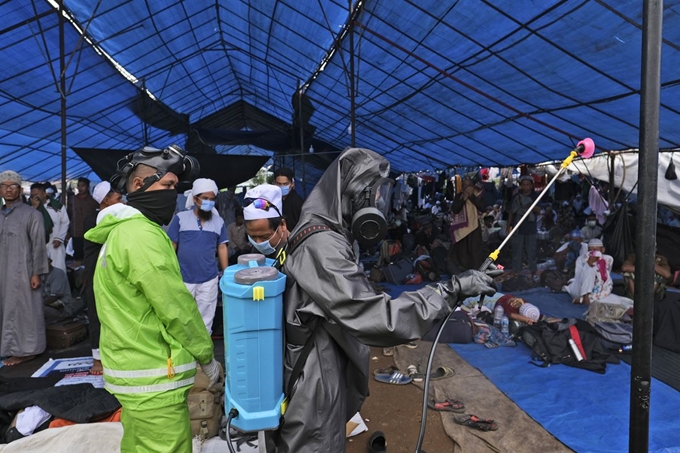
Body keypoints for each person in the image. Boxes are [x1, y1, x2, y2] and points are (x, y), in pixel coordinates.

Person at [244, 149, 498, 453]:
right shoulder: (321, 245)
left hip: (321, 369)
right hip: (315, 384)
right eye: (375, 195)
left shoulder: (327, 232)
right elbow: (378, 317)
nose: (379, 204)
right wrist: (449, 291)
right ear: (355, 194)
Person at [84, 145, 221, 453]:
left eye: (175, 187)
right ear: (138, 185)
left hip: (133, 371)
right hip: (155, 374)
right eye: (168, 185)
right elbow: (176, 308)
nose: (173, 194)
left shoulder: (120, 232)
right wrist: (206, 357)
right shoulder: (141, 236)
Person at [168, 178, 229, 333]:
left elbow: (222, 247)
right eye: (205, 199)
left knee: (206, 320)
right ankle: (185, 354)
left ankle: (204, 355)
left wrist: (226, 272)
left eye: (212, 199)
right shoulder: (181, 218)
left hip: (209, 277)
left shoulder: (218, 221)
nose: (209, 202)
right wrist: (169, 270)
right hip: (183, 277)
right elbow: (172, 245)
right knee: (183, 317)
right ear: (195, 199)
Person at [0, 170, 48, 366]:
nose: (8, 189)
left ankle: (28, 350)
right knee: (5, 309)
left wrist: (36, 272)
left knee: (25, 310)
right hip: (3, 272)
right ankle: (8, 348)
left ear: (20, 190)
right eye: (4, 186)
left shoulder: (32, 214)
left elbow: (38, 245)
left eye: (13, 186)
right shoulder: (2, 215)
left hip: (24, 272)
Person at [83, 181, 123, 375]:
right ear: (106, 200)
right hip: (96, 272)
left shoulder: (120, 218)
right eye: (118, 198)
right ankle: (97, 359)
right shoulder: (93, 221)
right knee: (97, 314)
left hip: (115, 272)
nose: (122, 202)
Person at [564, 239, 632, 308]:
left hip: (596, 290)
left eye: (596, 250)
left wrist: (598, 263)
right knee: (590, 270)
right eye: (591, 250)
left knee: (617, 301)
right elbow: (580, 277)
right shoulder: (581, 259)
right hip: (579, 289)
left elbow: (605, 277)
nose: (594, 252)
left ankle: (582, 300)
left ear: (602, 250)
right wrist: (589, 264)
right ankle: (585, 297)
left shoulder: (608, 259)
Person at [30, 183, 70, 273]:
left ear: (44, 194)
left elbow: (65, 222)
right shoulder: (29, 209)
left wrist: (59, 238)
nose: (34, 197)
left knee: (58, 271)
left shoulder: (57, 207)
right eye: (32, 195)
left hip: (54, 245)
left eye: (36, 194)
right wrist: (35, 208)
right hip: (38, 246)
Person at [448, 177, 486, 271]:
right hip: (462, 229)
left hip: (474, 226)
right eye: (465, 185)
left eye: (469, 185)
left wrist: (471, 197)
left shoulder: (478, 196)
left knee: (475, 250)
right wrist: (463, 199)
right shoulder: (459, 196)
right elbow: (455, 209)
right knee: (462, 251)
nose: (467, 187)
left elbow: (483, 208)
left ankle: (477, 271)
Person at [508, 175, 540, 279]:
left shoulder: (535, 196)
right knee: (517, 251)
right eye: (524, 185)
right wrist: (508, 226)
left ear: (531, 186)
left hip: (530, 228)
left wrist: (529, 204)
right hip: (518, 227)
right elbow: (511, 212)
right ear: (521, 186)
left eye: (528, 185)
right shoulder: (516, 197)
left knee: (531, 251)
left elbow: (539, 210)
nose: (526, 187)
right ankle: (516, 271)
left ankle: (533, 271)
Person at [42, 252, 81, 323]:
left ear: (50, 261)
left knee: (38, 309)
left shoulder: (57, 273)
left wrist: (39, 304)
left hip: (63, 310)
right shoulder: (42, 275)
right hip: (51, 307)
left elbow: (53, 297)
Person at [67, 177, 99, 263]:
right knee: (77, 258)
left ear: (88, 187)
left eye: (83, 186)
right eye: (79, 186)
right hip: (76, 233)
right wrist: (69, 231)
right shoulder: (72, 200)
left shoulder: (93, 201)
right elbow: (69, 216)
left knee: (89, 258)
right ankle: (78, 275)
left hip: (90, 234)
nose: (80, 188)